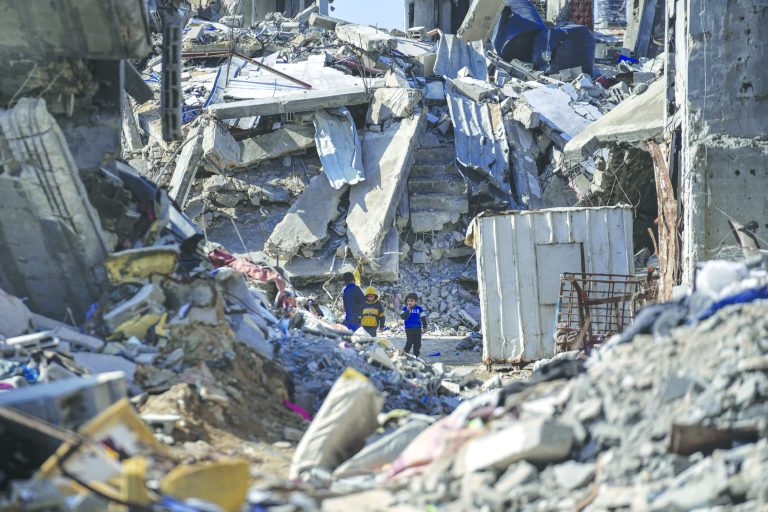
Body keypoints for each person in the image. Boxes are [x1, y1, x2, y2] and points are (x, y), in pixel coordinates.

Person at [400, 292, 427, 357]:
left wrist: (425, 327)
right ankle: (405, 353)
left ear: (415, 301)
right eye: (408, 301)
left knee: (418, 343)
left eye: (412, 301)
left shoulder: (419, 308)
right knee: (409, 342)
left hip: (418, 329)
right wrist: (407, 310)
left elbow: (423, 318)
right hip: (409, 329)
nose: (410, 302)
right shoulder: (405, 308)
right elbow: (402, 317)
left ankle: (416, 355)